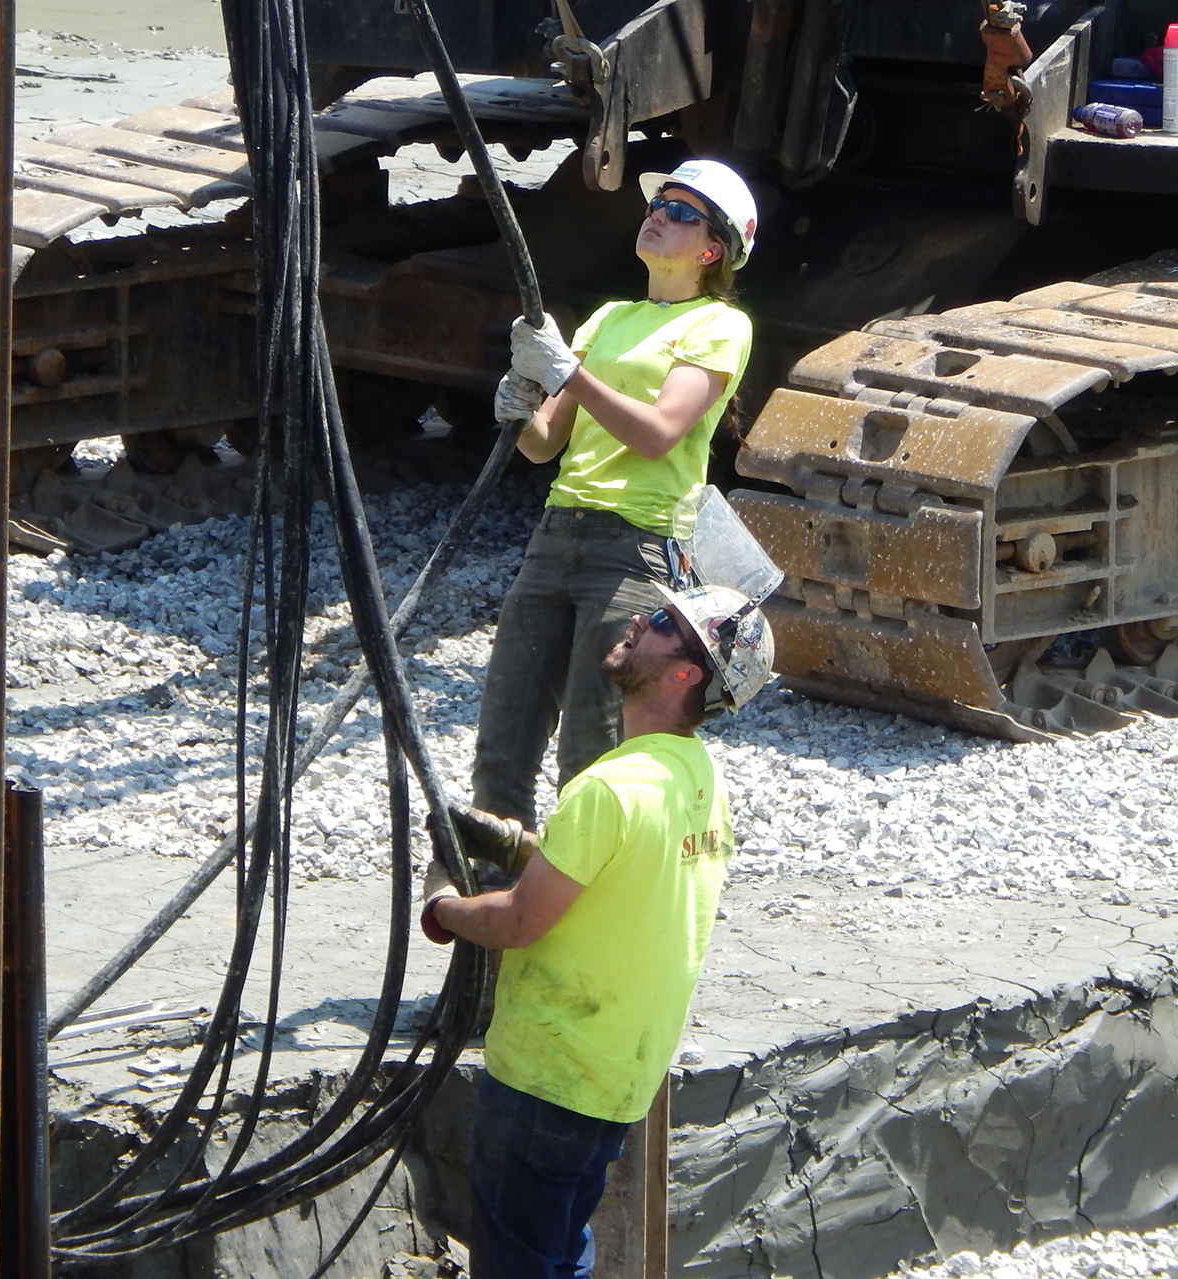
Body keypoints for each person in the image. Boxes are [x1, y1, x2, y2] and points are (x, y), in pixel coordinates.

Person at [422, 583, 776, 1279]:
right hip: (616, 1076)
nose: (640, 619)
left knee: (518, 1262)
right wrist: (521, 845)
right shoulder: (698, 779)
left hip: (546, 1074)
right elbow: (619, 873)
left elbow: (520, 921)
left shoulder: (607, 790)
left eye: (665, 624)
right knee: (557, 1247)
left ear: (684, 674)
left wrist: (441, 907)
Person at [472, 159, 760, 832]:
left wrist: (567, 372)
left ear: (712, 249)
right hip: (557, 535)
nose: (659, 214)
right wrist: (516, 405)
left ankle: (580, 917)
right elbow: (545, 445)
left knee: (591, 756)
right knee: (502, 746)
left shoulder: (718, 326)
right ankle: (490, 920)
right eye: (660, 203)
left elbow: (659, 434)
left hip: (631, 553)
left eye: (682, 212)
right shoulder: (608, 318)